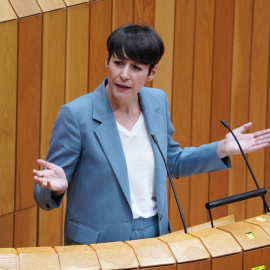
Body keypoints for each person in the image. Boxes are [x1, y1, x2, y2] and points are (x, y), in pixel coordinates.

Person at [33, 24, 270, 245]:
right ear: (107, 60)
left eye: (136, 67)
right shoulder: (76, 115)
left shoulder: (156, 102)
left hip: (156, 235)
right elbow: (43, 190)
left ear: (151, 72)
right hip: (99, 244)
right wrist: (55, 189)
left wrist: (220, 149)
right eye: (118, 63)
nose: (124, 74)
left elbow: (172, 163)